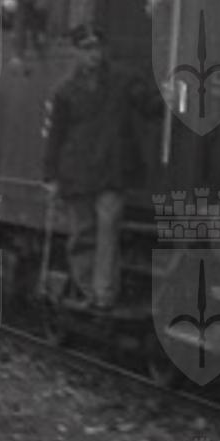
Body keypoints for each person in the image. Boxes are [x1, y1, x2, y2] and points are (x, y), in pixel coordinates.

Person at [41, 26, 158, 311]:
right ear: (76, 52)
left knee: (108, 227)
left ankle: (103, 294)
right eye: (87, 49)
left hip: (111, 170)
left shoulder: (124, 80)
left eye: (97, 48)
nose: (93, 54)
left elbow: (149, 106)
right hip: (77, 172)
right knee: (83, 233)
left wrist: (173, 95)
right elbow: (56, 135)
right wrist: (50, 176)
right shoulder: (64, 91)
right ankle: (88, 290)